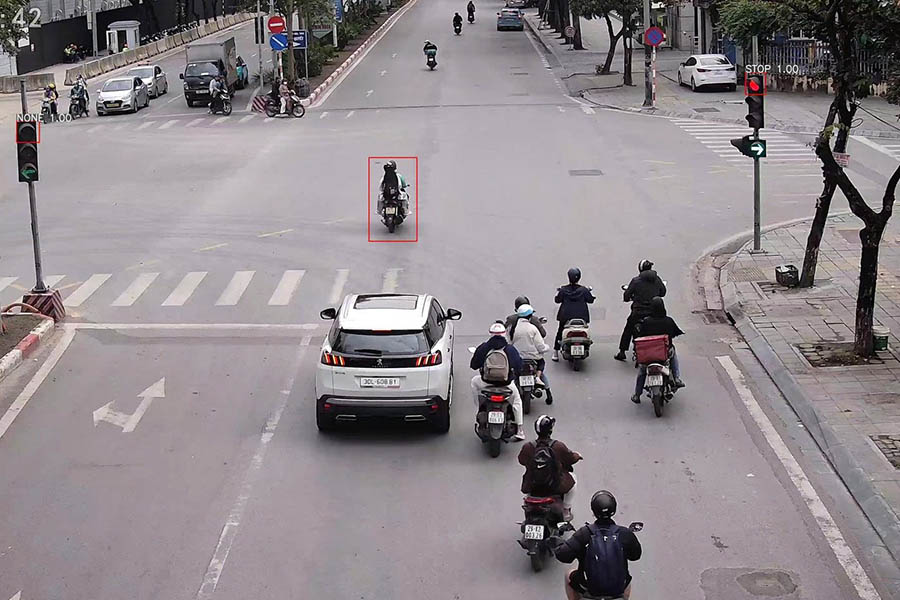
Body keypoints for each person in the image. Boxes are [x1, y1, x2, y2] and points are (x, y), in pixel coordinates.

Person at [555, 490, 642, 600]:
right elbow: (635, 555)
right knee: (627, 580)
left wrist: (560, 543)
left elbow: (563, 555)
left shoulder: (584, 533)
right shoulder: (624, 534)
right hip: (617, 590)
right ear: (614, 509)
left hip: (589, 588)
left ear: (594, 511)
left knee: (569, 575)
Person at [518, 415, 581, 520]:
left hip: (532, 486)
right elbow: (570, 458)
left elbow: (521, 460)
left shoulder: (528, 447)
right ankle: (566, 509)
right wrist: (577, 456)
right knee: (573, 479)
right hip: (555, 486)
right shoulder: (558, 446)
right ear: (550, 430)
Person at [470, 321, 525, 441]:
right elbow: (519, 366)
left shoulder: (484, 348)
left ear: (491, 334)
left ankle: (478, 408)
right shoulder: (510, 349)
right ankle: (520, 430)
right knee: (517, 402)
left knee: (474, 382)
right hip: (507, 385)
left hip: (486, 384)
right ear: (504, 334)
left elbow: (474, 365)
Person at [631, 296, 684, 403]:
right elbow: (675, 332)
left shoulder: (646, 322)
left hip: (648, 356)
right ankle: (677, 378)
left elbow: (640, 336)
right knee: (673, 353)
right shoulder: (668, 321)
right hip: (664, 354)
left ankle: (637, 394)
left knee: (642, 371)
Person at [615, 260, 666, 361]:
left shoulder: (636, 281)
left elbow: (626, 296)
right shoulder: (657, 279)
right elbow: (663, 292)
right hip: (654, 312)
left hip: (638, 312)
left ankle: (622, 352)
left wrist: (631, 297)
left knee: (628, 328)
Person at [511, 304, 553, 403]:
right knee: (541, 364)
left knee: (513, 373)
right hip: (533, 358)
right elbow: (540, 346)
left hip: (518, 358)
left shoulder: (513, 329)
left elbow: (509, 343)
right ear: (529, 316)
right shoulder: (533, 329)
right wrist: (547, 348)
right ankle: (540, 381)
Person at [552, 268, 595, 362]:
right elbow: (591, 300)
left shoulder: (563, 290)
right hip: (581, 317)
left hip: (565, 317)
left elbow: (557, 300)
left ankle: (555, 352)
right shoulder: (583, 290)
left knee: (560, 331)